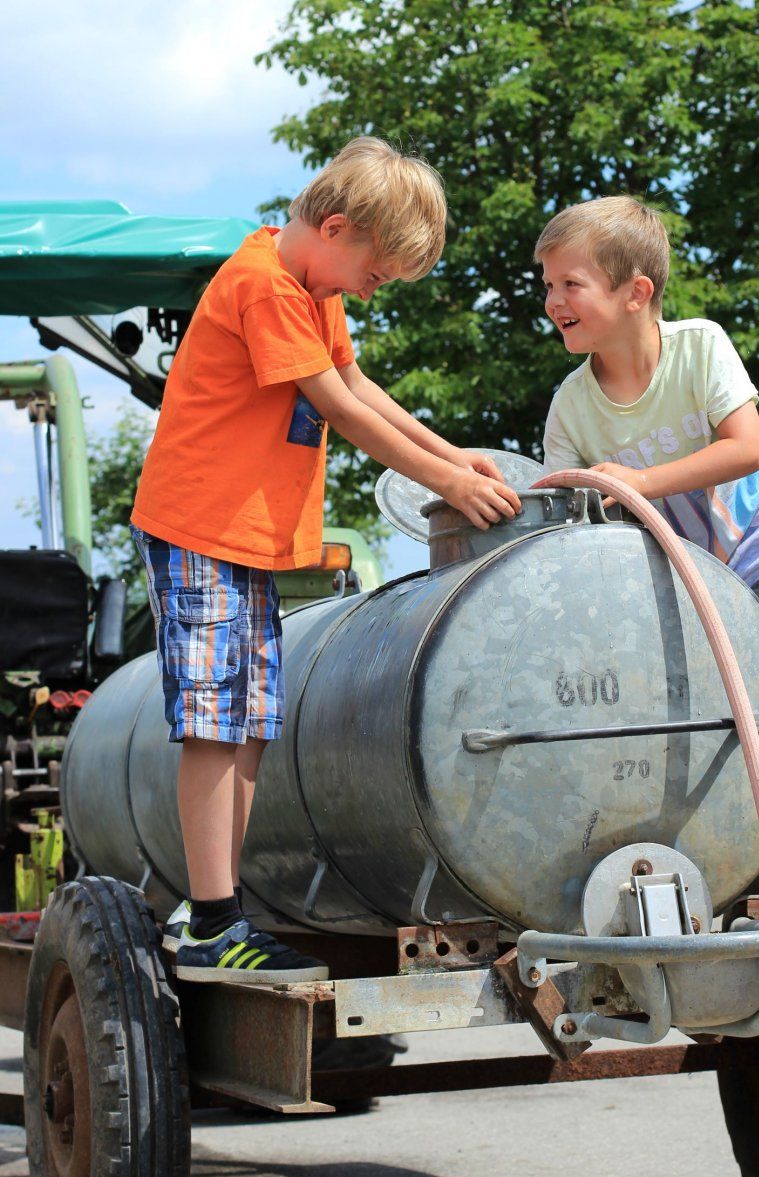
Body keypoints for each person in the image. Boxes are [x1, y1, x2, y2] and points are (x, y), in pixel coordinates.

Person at [131, 137, 521, 984]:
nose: (366, 291)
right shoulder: (265, 284)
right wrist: (443, 477)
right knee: (213, 722)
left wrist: (454, 450)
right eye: (373, 275)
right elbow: (338, 408)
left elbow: (360, 383)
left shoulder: (312, 288)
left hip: (249, 538)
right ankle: (211, 918)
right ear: (335, 227)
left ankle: (219, 906)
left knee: (251, 726)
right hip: (201, 526)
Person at [535, 196, 759, 937]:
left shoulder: (699, 348)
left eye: (570, 284)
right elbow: (571, 527)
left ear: (636, 292)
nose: (552, 301)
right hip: (697, 581)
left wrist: (637, 480)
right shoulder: (570, 408)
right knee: (717, 725)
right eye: (546, 284)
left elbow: (745, 449)